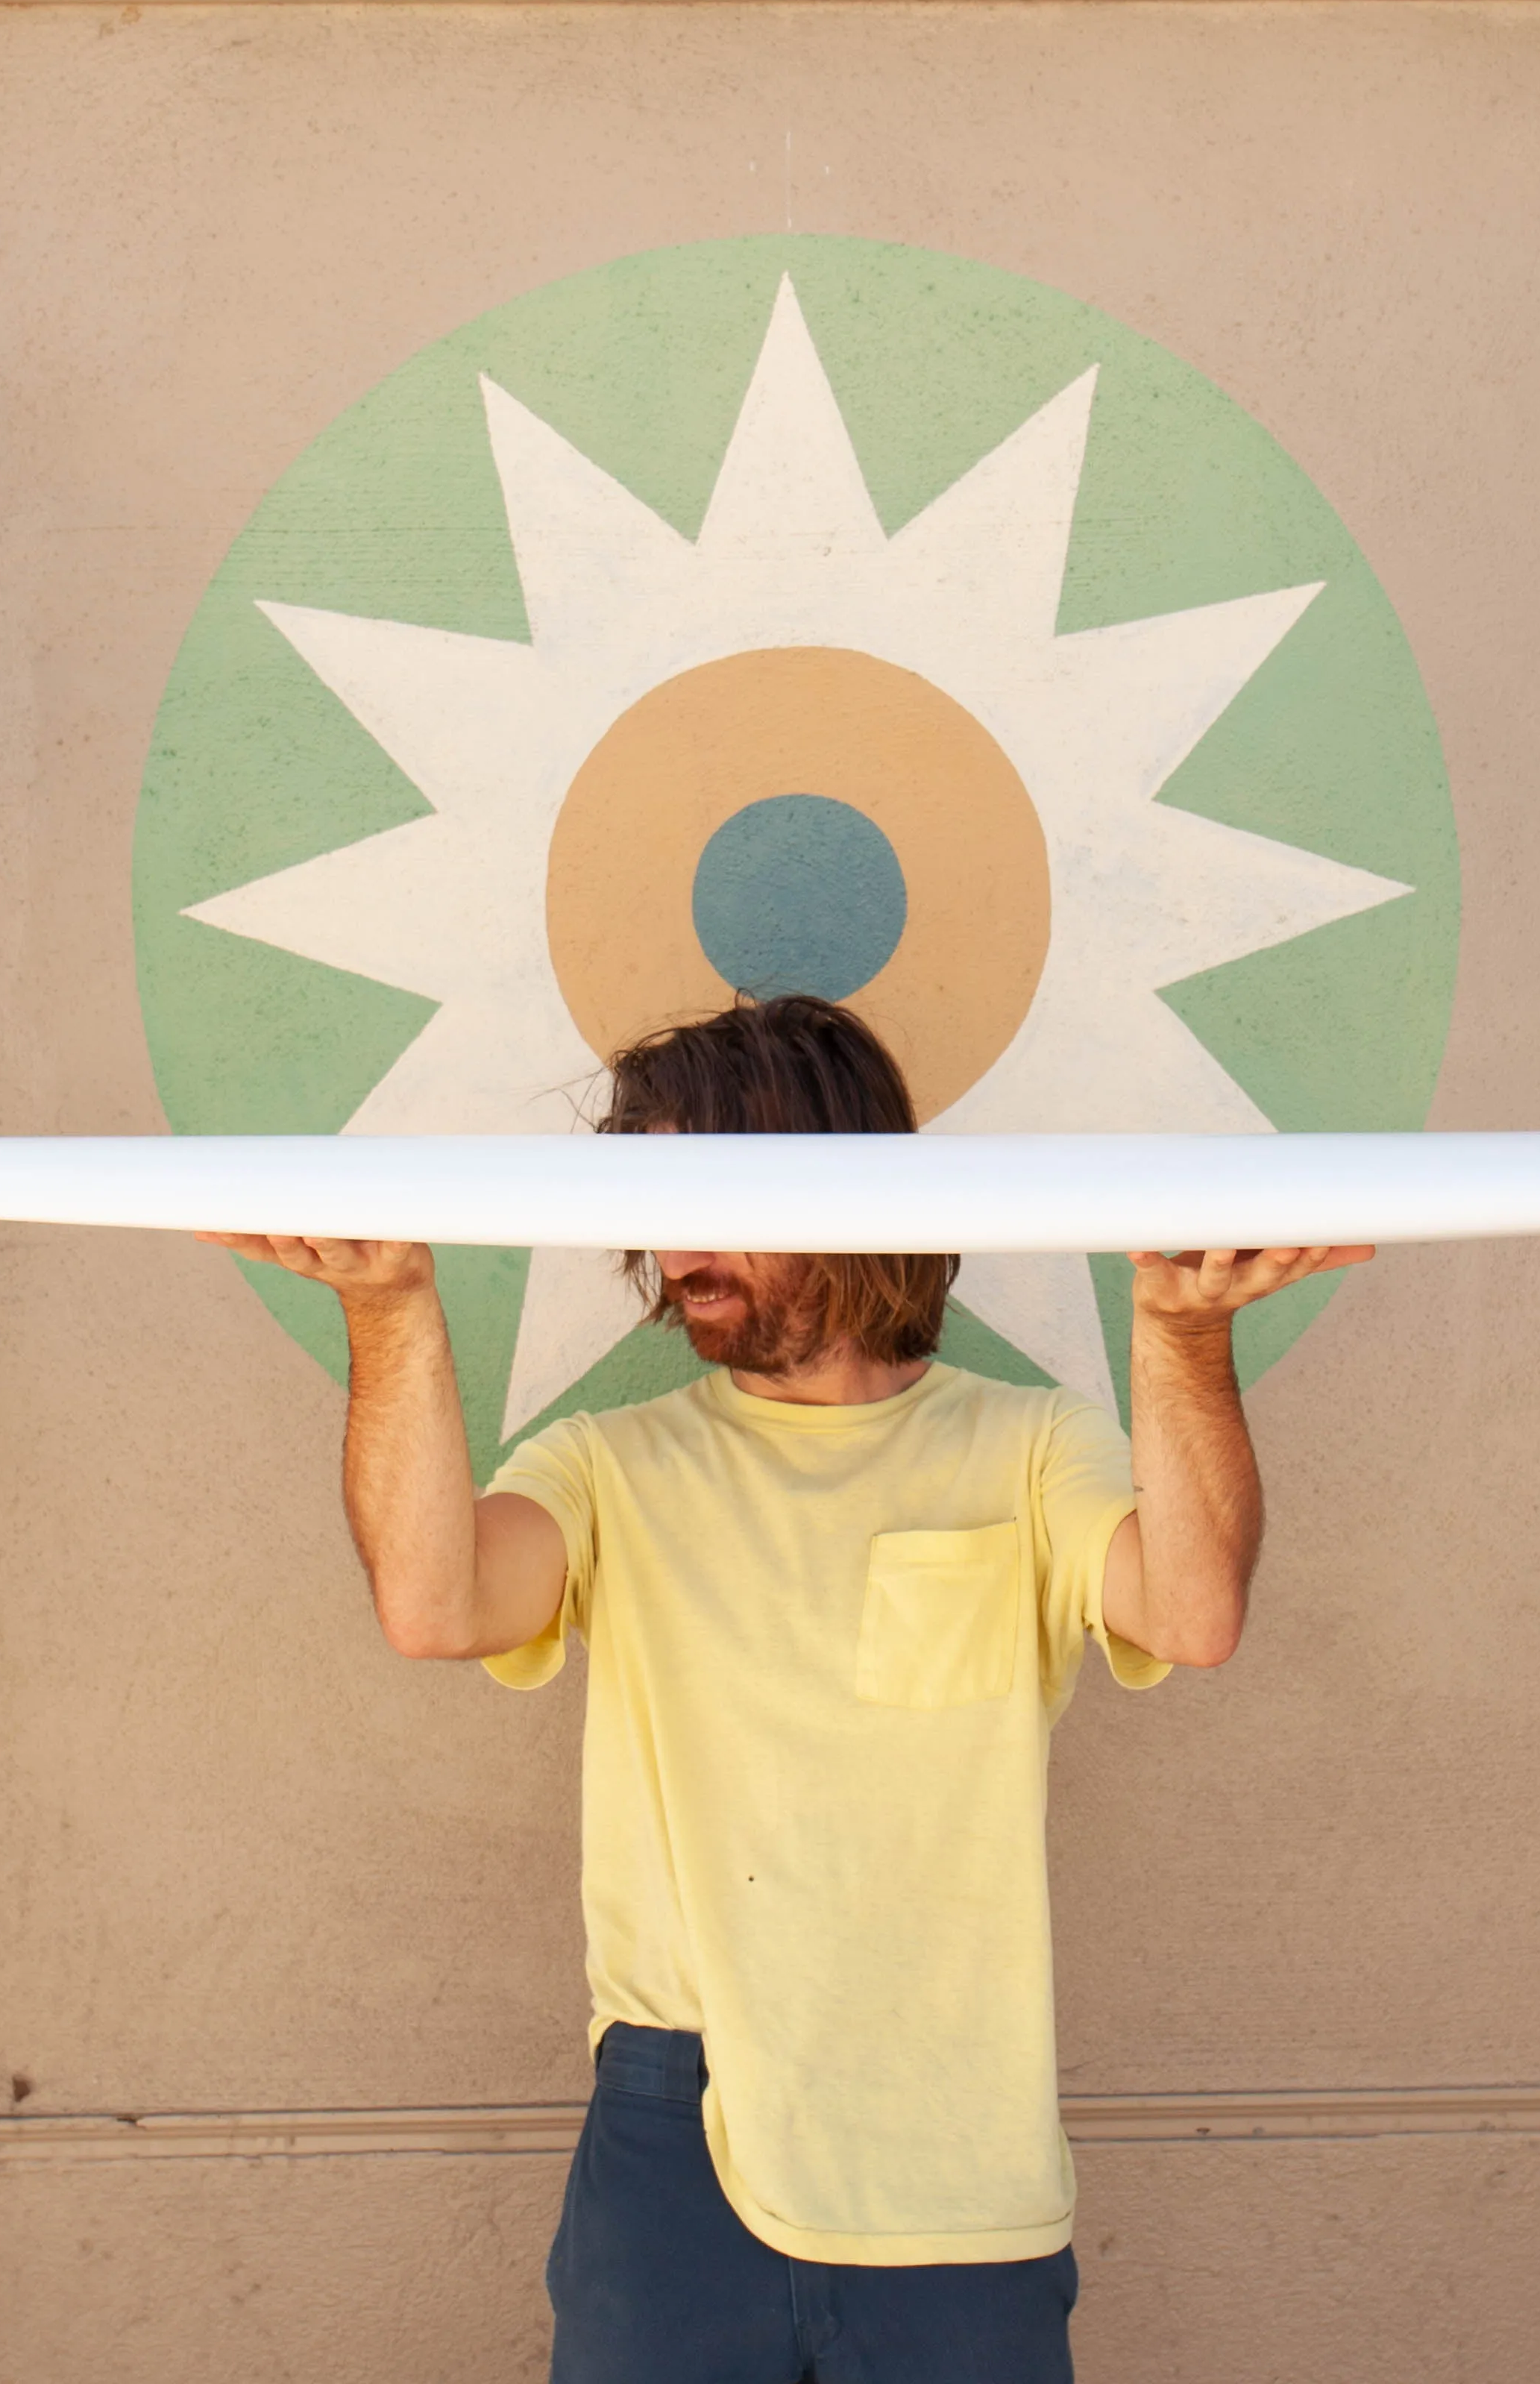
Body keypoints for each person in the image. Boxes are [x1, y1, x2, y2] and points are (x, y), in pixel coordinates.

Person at [202, 995, 1365, 2384]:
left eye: (716, 1196)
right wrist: (388, 1312)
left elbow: (1194, 1610)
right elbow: (433, 1606)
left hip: (953, 2134)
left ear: (848, 1184)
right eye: (652, 1201)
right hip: (674, 2121)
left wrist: (1181, 1338)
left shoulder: (1035, 1449)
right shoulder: (606, 1466)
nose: (676, 1248)